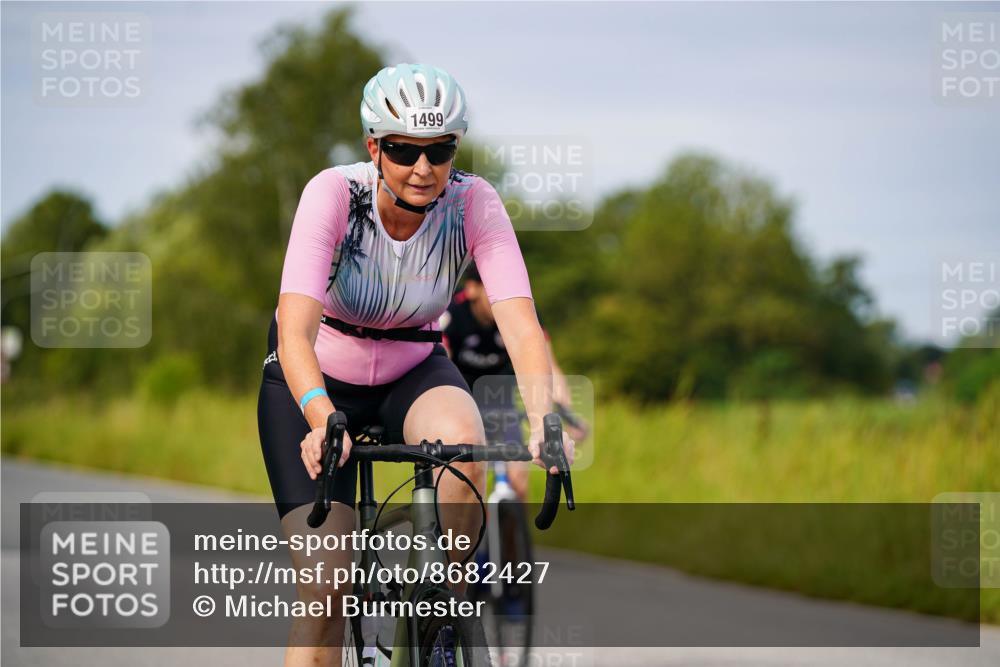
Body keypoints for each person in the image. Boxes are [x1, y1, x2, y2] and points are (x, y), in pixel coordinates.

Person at [256, 63, 573, 666]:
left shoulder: (474, 202)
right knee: (324, 594)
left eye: (440, 150)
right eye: (403, 150)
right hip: (316, 380)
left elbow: (521, 324)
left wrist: (542, 422)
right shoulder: (334, 195)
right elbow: (294, 332)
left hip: (412, 368)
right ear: (374, 146)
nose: (423, 168)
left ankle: (443, 620)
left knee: (463, 445)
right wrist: (320, 415)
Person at [440, 264, 589, 501]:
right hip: (463, 399)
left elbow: (550, 366)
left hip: (501, 400)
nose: (501, 298)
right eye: (492, 291)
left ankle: (515, 536)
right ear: (472, 289)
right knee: (469, 482)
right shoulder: (452, 313)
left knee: (518, 481)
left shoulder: (519, 310)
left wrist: (567, 414)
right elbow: (440, 359)